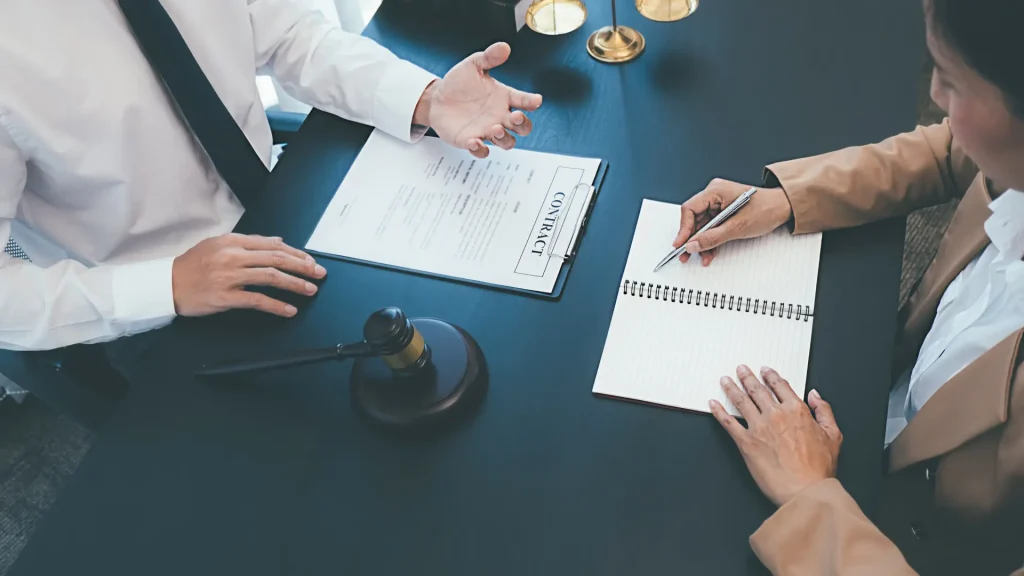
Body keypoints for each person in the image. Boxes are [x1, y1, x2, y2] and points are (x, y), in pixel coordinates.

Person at [673, 0, 1024, 573]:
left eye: (953, 80)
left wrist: (812, 499)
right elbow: (946, 151)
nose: (934, 96)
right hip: (881, 395)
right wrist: (787, 200)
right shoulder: (1008, 151)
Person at [0, 1, 541, 356]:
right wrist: (166, 285)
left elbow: (290, 39)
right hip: (154, 306)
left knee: (487, 329)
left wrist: (424, 98)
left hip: (285, 206)